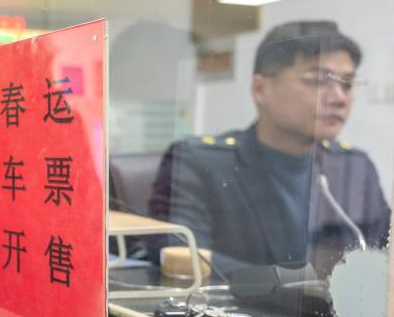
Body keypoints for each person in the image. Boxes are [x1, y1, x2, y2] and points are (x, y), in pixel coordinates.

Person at [148, 20, 390, 277]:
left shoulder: (355, 167)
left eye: (347, 84)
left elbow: (384, 256)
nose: (339, 98)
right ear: (260, 89)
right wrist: (303, 286)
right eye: (318, 80)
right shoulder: (200, 161)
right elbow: (178, 254)